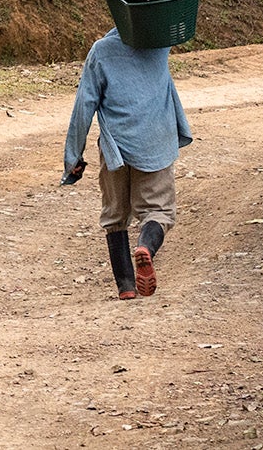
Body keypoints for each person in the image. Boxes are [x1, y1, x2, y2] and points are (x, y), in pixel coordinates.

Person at [62, 18, 194, 299]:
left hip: (115, 147)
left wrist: (73, 156)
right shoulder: (160, 46)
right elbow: (177, 17)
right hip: (155, 140)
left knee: (115, 215)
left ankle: (125, 287)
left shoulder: (101, 50)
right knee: (158, 210)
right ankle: (145, 246)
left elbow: (84, 105)